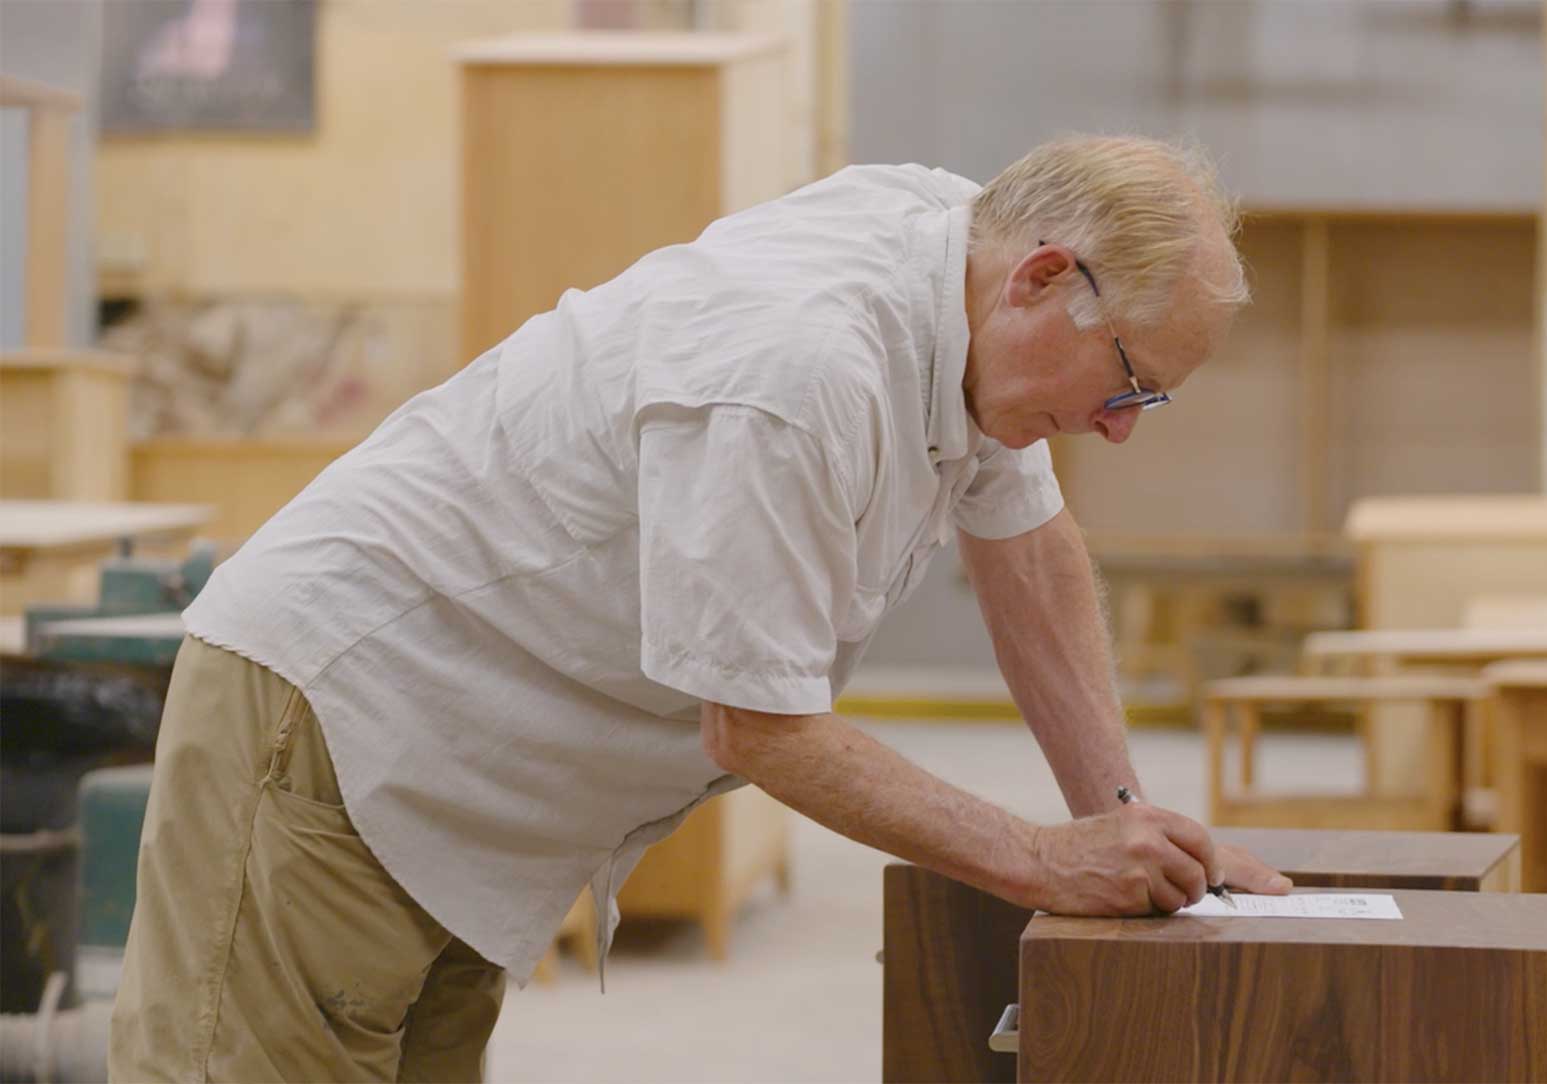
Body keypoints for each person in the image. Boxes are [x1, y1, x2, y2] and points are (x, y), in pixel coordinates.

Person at [110, 134, 1293, 1082]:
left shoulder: (964, 261)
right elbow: (760, 727)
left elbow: (1027, 549)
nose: (1121, 427)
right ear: (1043, 277)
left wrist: (1125, 828)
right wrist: (1039, 857)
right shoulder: (796, 370)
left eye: (1152, 399)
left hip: (465, 777)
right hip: (336, 719)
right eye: (1130, 382)